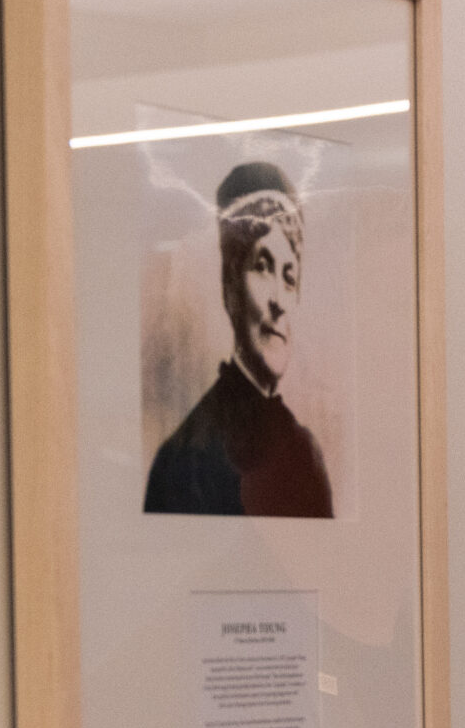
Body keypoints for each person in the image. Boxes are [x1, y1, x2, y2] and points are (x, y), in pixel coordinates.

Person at [143, 160, 336, 518]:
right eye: (262, 266)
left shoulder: (305, 452)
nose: (279, 300)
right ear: (230, 286)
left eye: (289, 277)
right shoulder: (184, 459)